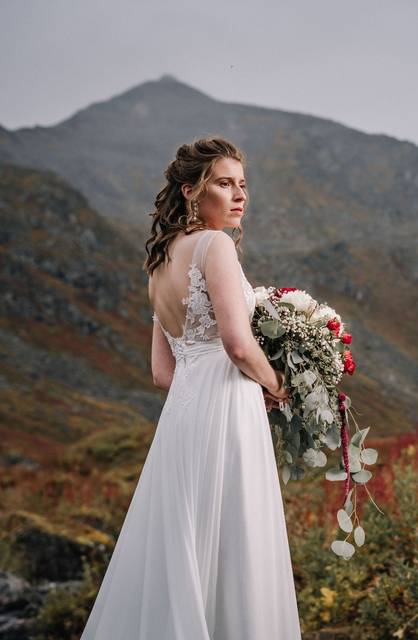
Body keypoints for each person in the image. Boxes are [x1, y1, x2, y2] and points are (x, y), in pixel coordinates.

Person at [80, 137, 303, 639]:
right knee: (233, 540)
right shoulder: (214, 245)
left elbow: (163, 372)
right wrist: (279, 386)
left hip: (183, 416)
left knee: (182, 540)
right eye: (225, 184)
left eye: (243, 185)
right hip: (227, 406)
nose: (239, 195)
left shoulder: (159, 265)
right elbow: (238, 345)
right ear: (191, 191)